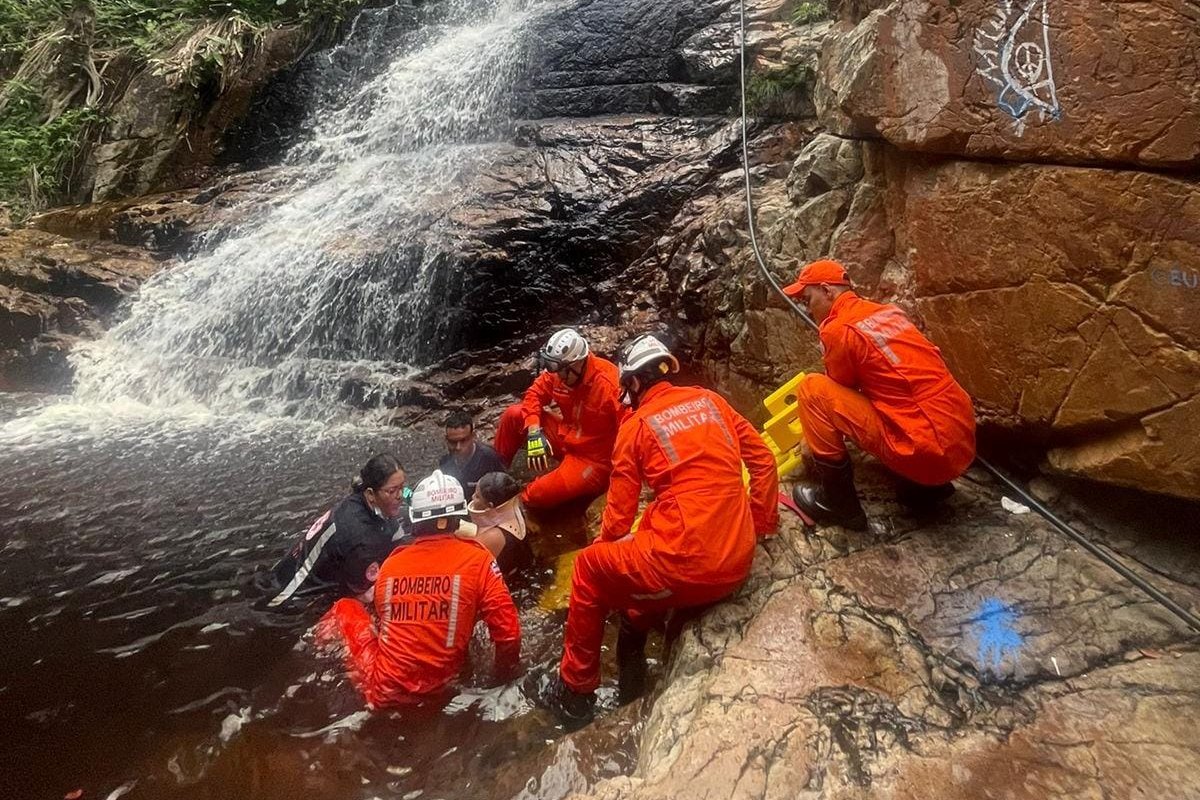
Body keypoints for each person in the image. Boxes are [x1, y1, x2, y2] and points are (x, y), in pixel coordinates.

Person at [544, 334, 779, 726]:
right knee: (640, 591)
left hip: (689, 566)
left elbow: (617, 522)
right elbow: (764, 462)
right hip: (739, 559)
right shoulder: (712, 401)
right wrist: (761, 527)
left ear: (635, 382)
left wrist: (605, 563)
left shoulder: (636, 426)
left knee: (588, 569)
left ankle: (575, 691)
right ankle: (632, 680)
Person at [782, 259, 976, 530]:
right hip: (962, 439)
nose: (808, 308)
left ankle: (839, 503)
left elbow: (838, 388)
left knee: (812, 390)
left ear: (827, 291)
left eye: (808, 299)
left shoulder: (838, 329)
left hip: (926, 450)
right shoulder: (887, 312)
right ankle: (926, 486)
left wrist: (812, 439)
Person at [316, 470, 522, 706]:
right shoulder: (479, 560)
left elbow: (386, 622)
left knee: (345, 606)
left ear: (416, 520)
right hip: (445, 685)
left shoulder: (392, 564)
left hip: (385, 692)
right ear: (458, 519)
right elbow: (509, 634)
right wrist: (501, 680)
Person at [493, 328, 624, 509]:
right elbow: (534, 394)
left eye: (562, 372)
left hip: (594, 459)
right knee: (514, 414)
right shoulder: (561, 371)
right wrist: (534, 431)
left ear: (578, 363)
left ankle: (511, 506)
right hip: (566, 436)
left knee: (537, 494)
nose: (559, 378)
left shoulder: (609, 384)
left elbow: (629, 431)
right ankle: (492, 476)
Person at [268, 453, 408, 608]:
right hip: (292, 598)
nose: (400, 496)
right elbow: (364, 594)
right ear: (370, 494)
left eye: (402, 488)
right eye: (392, 491)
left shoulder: (362, 500)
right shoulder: (360, 537)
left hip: (286, 572)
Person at [459, 471, 532, 576]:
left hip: (511, 583)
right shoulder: (518, 513)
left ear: (490, 506)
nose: (472, 496)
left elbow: (463, 567)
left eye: (477, 496)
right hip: (526, 571)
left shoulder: (492, 537)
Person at [438, 409, 506, 496]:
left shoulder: (489, 458)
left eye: (463, 441)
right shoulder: (445, 462)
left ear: (473, 436)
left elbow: (504, 490)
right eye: (453, 442)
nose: (458, 447)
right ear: (446, 439)